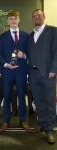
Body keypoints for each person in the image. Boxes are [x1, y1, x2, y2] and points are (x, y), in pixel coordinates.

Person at [0, 10, 29, 131]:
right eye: (11, 19)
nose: (13, 20)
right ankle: (6, 122)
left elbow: (30, 53)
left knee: (21, 96)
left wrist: (24, 56)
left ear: (19, 20)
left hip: (21, 71)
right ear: (7, 21)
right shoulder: (3, 36)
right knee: (7, 96)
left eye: (15, 18)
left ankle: (23, 121)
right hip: (7, 71)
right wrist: (6, 64)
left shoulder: (26, 35)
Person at [29, 9, 57, 144]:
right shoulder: (30, 35)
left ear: (44, 17)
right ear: (32, 20)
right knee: (38, 102)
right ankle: (41, 124)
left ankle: (50, 131)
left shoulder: (53, 31)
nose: (37, 18)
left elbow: (56, 51)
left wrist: (53, 69)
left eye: (39, 15)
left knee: (50, 103)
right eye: (35, 16)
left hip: (48, 74)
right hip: (34, 75)